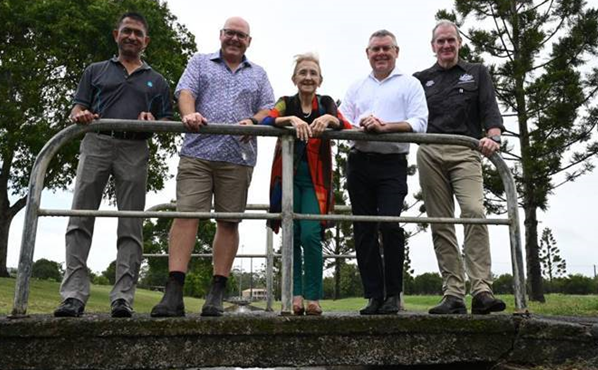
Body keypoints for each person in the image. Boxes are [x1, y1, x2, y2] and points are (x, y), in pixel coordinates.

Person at [151, 17, 274, 317]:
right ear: (221, 35)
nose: (234, 38)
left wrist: (255, 121)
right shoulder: (200, 62)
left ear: (249, 41)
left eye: (240, 35)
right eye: (230, 33)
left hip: (238, 156)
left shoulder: (258, 73)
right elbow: (185, 92)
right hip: (198, 152)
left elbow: (269, 107)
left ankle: (217, 291)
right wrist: (189, 114)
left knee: (229, 222)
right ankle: (174, 291)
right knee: (186, 215)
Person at [55, 12, 173, 318]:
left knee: (131, 223)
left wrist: (153, 121)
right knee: (80, 217)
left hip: (135, 147)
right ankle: (73, 295)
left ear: (146, 41)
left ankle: (123, 297)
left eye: (137, 33)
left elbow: (167, 120)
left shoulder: (157, 80)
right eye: (126, 31)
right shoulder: (95, 71)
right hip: (96, 141)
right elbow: (77, 106)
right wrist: (79, 114)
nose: (131, 37)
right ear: (116, 35)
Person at [413, 20, 506, 315]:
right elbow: (407, 112)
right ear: (432, 46)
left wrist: (493, 136)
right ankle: (453, 293)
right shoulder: (420, 79)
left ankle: (481, 290)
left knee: (474, 212)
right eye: (440, 41)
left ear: (459, 43)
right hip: (430, 152)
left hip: (466, 150)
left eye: (451, 40)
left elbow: (490, 109)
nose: (446, 45)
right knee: (440, 221)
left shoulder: (476, 72)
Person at [340, 30, 428, 315]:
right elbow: (344, 121)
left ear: (396, 51)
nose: (380, 53)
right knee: (363, 229)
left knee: (389, 224)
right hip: (359, 162)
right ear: (367, 53)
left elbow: (419, 122)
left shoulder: (410, 85)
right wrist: (362, 123)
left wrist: (385, 127)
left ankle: (393, 294)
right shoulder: (356, 87)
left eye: (386, 48)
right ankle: (373, 295)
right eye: (375, 49)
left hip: (391, 163)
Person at [263, 53, 352, 316]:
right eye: (303, 72)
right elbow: (267, 119)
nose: (308, 77)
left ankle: (313, 296)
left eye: (313, 73)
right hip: (287, 178)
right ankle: (294, 296)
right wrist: (290, 120)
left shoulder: (325, 104)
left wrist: (329, 120)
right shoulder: (286, 103)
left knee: (311, 234)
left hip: (316, 182)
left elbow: (345, 124)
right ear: (294, 78)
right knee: (292, 234)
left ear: (320, 80)